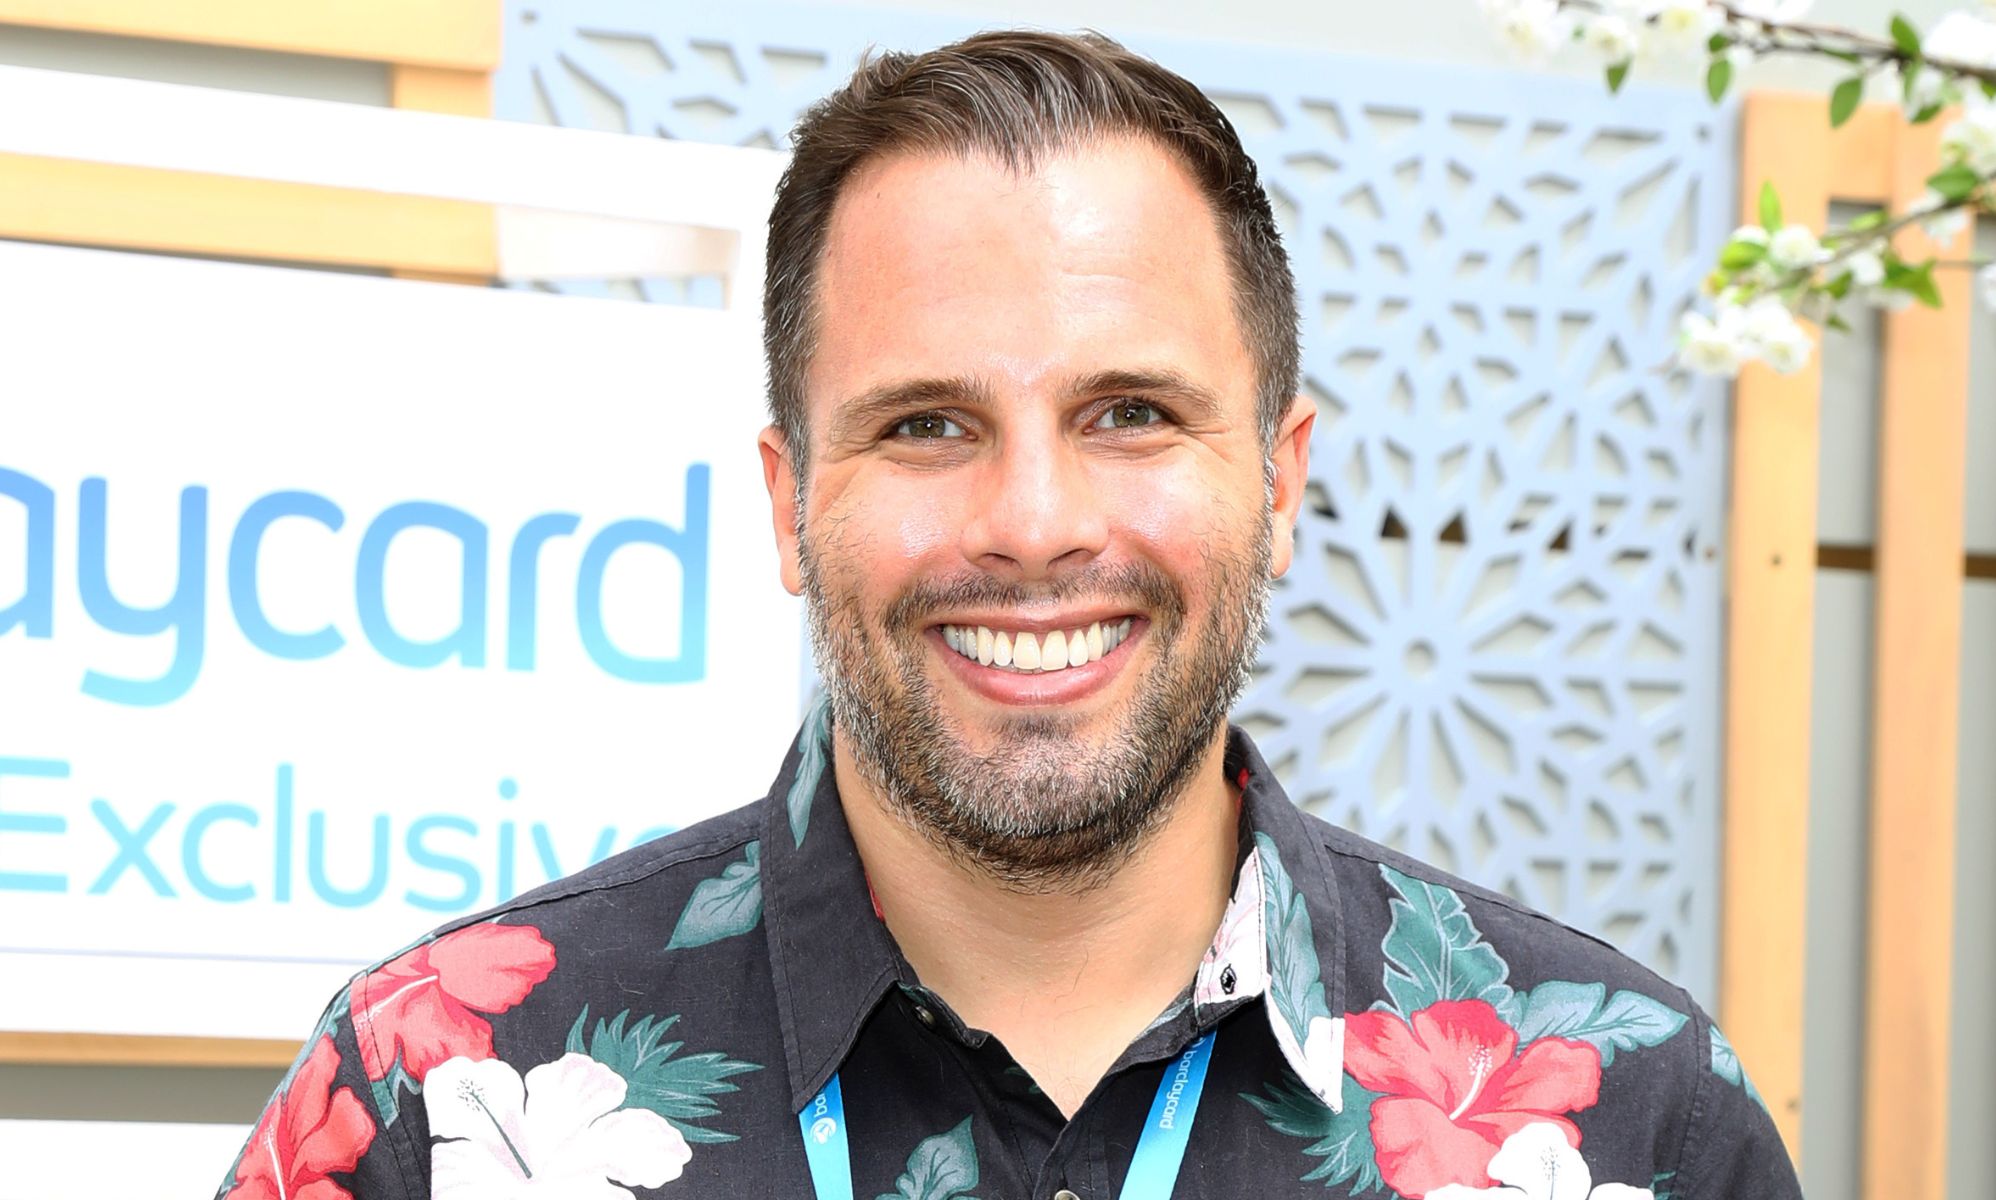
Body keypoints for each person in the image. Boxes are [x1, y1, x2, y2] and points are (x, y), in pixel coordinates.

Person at [217, 30, 1803, 1200]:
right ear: (787, 500)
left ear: (1279, 479)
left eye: (1129, 413)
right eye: (926, 424)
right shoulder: (435, 1091)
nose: (1034, 524)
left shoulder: (1631, 1124)